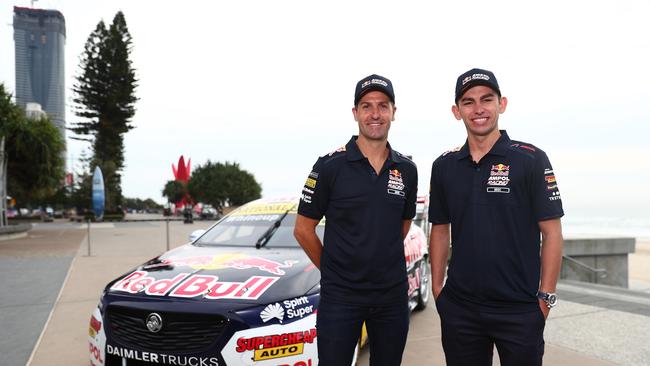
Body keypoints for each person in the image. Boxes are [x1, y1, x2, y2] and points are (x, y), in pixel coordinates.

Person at [429, 68, 564, 366]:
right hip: (460, 310)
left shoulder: (530, 159)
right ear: (456, 111)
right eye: (468, 101)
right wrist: (439, 290)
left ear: (501, 104)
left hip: (519, 311)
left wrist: (545, 299)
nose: (478, 109)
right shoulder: (444, 166)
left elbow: (552, 233)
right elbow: (439, 228)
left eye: (486, 99)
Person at [294, 74, 418, 366]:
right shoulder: (329, 166)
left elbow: (401, 224)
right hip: (341, 298)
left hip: (391, 297)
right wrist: (334, 269)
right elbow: (303, 229)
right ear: (355, 113)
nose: (375, 114)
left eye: (382, 106)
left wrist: (378, 253)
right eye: (366, 106)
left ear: (393, 112)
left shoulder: (407, 169)